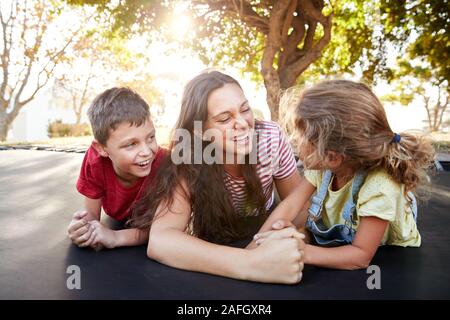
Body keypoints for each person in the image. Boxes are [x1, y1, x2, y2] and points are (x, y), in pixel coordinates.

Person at [131, 70, 306, 284]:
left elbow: (299, 209)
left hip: (265, 223)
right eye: (224, 118)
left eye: (245, 109)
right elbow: (161, 240)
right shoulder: (189, 156)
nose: (242, 123)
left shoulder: (269, 137)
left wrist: (275, 239)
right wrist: (251, 262)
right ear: (200, 131)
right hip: (217, 236)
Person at [254, 80, 435, 270]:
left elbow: (360, 256)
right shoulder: (323, 167)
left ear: (332, 156)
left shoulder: (380, 187)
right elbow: (291, 205)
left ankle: (404, 203)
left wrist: (301, 250)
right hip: (346, 229)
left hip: (391, 255)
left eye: (300, 136)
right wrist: (255, 248)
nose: (292, 141)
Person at [67, 87, 166, 249]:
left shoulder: (165, 165)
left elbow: (164, 230)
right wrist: (84, 228)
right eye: (131, 144)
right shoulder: (95, 160)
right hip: (121, 221)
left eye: (151, 138)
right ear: (102, 149)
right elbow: (91, 215)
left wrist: (115, 237)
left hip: (152, 226)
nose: (147, 152)